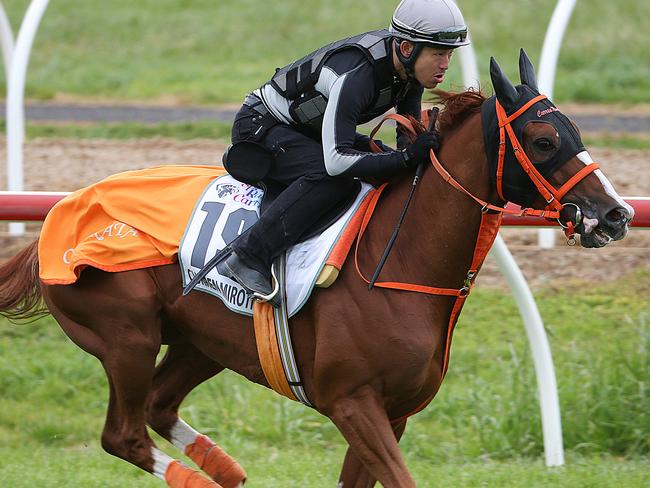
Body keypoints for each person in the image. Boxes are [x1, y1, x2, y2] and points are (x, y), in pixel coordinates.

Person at [218, 0, 470, 302]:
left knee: (382, 162)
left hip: (306, 128)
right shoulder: (358, 74)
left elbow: (406, 144)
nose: (445, 64)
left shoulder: (409, 72)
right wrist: (402, 159)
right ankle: (249, 255)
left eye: (449, 54)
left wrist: (413, 155)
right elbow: (336, 162)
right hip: (262, 127)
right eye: (438, 53)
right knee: (332, 178)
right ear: (406, 48)